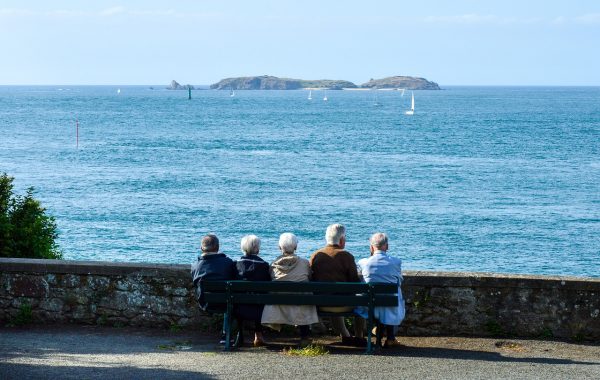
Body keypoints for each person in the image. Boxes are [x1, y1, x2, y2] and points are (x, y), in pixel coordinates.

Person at [309, 223, 365, 346]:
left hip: (322, 303)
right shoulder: (347, 256)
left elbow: (310, 278)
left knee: (333, 295)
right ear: (341, 240)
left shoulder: (315, 255)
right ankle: (359, 337)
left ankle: (346, 336)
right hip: (343, 304)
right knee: (361, 301)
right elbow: (355, 283)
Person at [261, 233, 319, 347]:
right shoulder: (304, 263)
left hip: (279, 306)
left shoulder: (273, 265)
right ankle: (304, 337)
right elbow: (310, 278)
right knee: (303, 298)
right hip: (301, 305)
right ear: (296, 247)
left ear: (279, 247)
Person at [355, 232, 405, 348]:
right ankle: (390, 338)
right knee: (393, 298)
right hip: (390, 304)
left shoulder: (364, 263)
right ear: (387, 246)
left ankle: (380, 333)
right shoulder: (396, 262)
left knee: (378, 302)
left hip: (370, 305)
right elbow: (400, 281)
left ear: (371, 247)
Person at [190, 234, 237, 345]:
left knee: (227, 299)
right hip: (226, 302)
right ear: (217, 247)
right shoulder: (228, 263)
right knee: (229, 299)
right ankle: (226, 334)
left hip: (205, 302)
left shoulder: (195, 266)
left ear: (202, 248)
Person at [234, 234, 271, 347]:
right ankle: (258, 334)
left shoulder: (235, 265)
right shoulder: (264, 266)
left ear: (242, 248)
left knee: (238, 298)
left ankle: (240, 333)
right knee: (259, 298)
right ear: (258, 250)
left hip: (239, 307)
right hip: (259, 309)